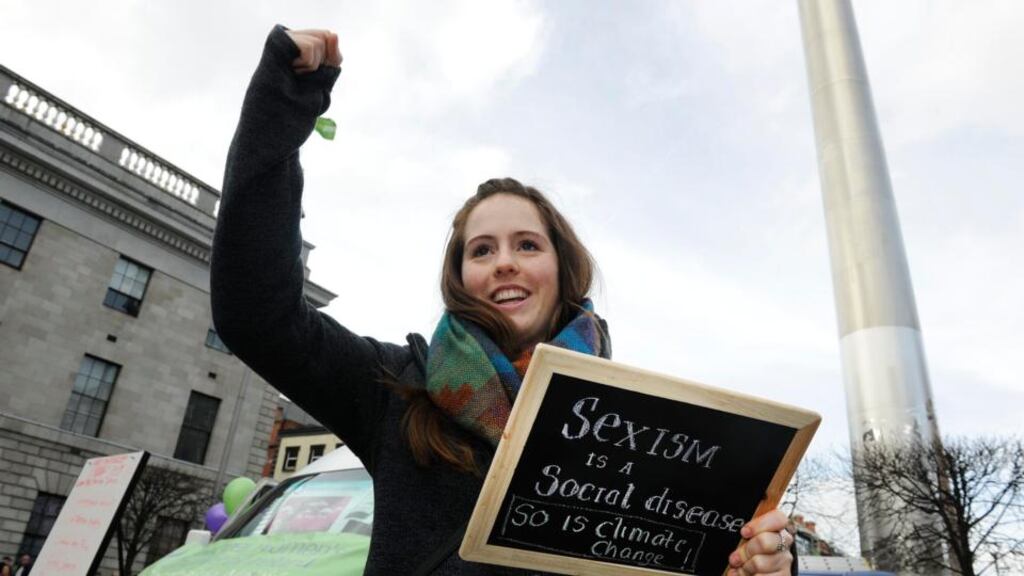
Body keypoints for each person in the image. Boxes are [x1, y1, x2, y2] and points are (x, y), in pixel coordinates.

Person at [211, 25, 797, 576]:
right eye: (482, 250)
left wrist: (756, 564)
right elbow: (254, 312)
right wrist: (283, 107)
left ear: (563, 268)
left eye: (527, 244)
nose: (506, 262)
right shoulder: (395, 387)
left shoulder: (641, 430)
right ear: (460, 276)